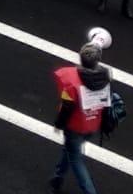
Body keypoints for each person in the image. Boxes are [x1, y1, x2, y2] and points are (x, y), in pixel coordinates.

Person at [49, 37, 112, 194]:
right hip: (93, 124)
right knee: (70, 151)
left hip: (75, 126)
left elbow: (67, 108)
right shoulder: (105, 77)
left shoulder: (70, 81)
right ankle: (57, 178)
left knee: (76, 159)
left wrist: (58, 124)